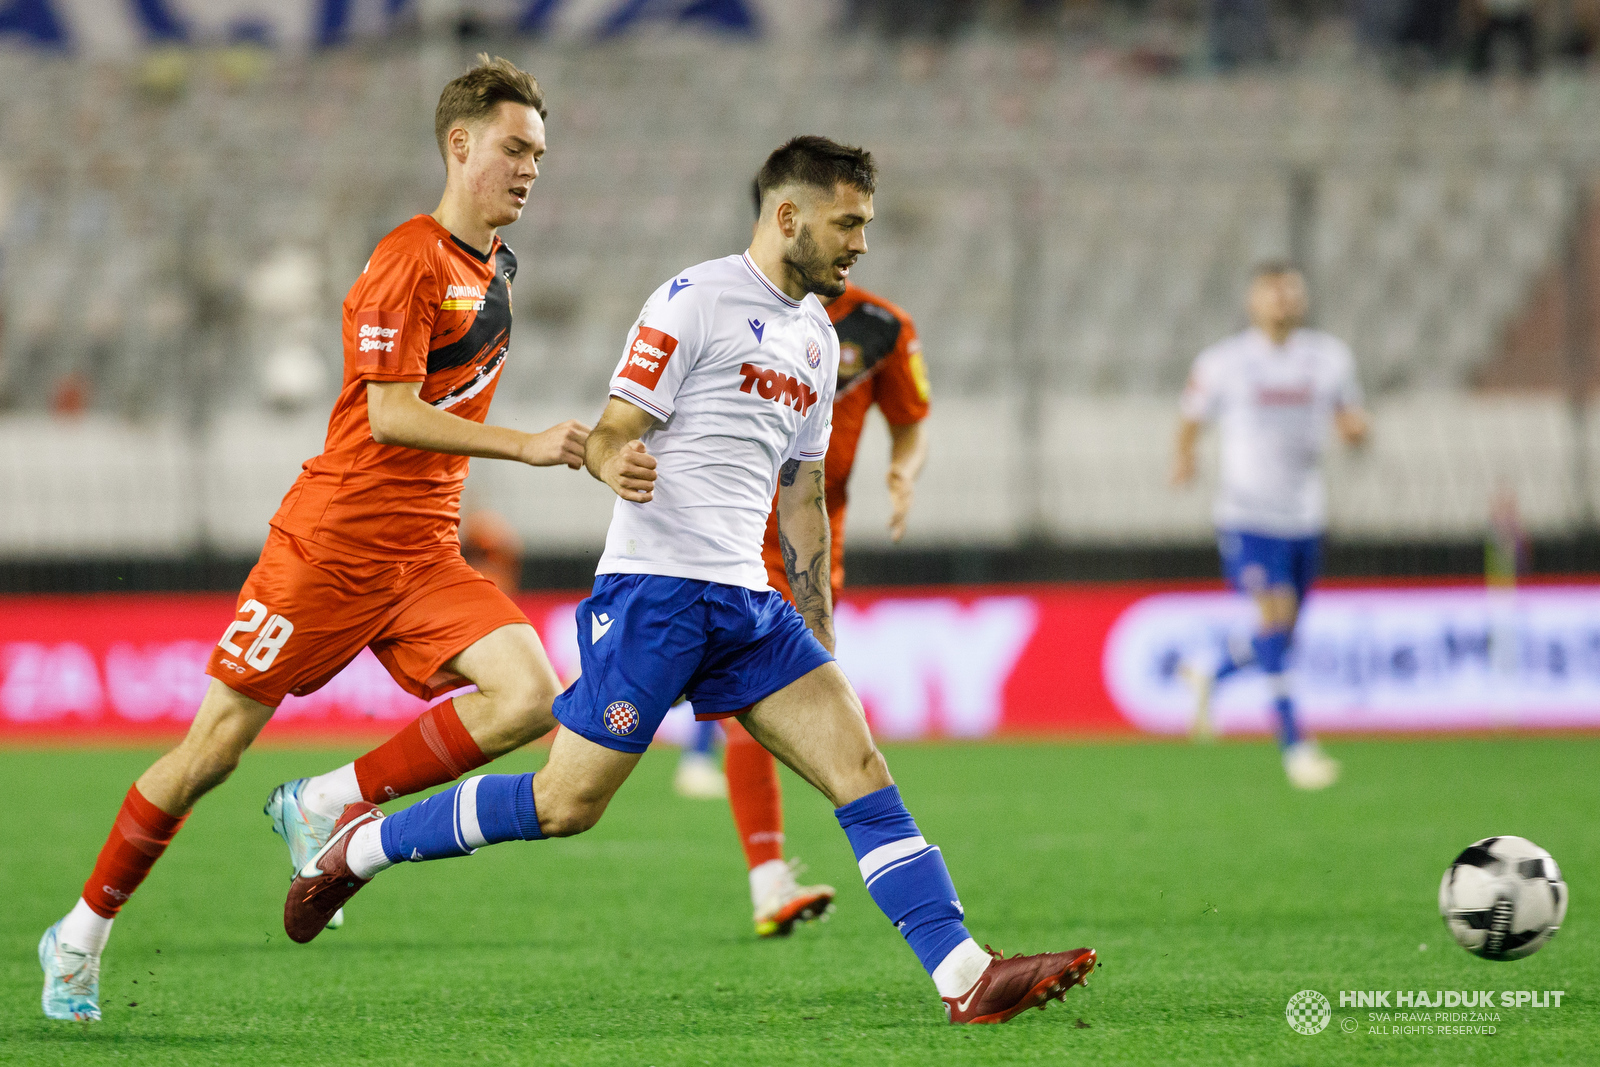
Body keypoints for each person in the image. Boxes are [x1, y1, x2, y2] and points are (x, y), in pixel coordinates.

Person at [285, 136, 1095, 1025]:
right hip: (656, 594)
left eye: (866, 224)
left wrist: (816, 628)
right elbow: (610, 428)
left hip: (751, 604)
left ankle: (965, 974)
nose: (862, 242)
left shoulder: (818, 338)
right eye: (848, 222)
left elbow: (804, 493)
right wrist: (611, 460)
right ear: (789, 217)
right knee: (564, 803)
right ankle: (363, 845)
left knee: (859, 764)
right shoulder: (695, 300)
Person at [39, 56, 590, 1023]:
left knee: (531, 694)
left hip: (422, 557)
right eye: (515, 148)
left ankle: (330, 800)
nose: (531, 168)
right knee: (211, 750)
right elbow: (389, 416)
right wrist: (528, 445)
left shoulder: (493, 267)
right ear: (459, 147)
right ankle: (79, 933)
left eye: (539, 153)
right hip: (329, 548)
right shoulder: (406, 259)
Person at [720, 178, 933, 938]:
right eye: (847, 224)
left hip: (815, 534)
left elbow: (910, 420)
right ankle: (771, 875)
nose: (857, 242)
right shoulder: (727, 310)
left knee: (774, 690)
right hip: (739, 528)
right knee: (777, 689)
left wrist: (903, 471)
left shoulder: (881, 327)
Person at [1171, 262, 1368, 791]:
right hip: (1247, 512)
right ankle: (1294, 745)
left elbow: (1351, 414)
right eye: (1272, 292)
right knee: (1276, 616)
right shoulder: (1224, 362)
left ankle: (1210, 671)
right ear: (1251, 301)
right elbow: (1191, 416)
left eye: (1290, 291)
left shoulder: (1329, 358)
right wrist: (1184, 459)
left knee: (1282, 634)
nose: (1282, 300)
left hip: (1305, 513)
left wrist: (1356, 430)